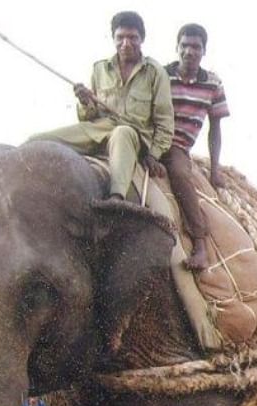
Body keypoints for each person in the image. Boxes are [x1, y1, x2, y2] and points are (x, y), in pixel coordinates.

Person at [30, 11, 174, 202]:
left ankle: (116, 198)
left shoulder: (156, 72)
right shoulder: (100, 68)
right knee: (37, 141)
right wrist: (85, 101)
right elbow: (89, 116)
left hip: (134, 135)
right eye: (120, 37)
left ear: (142, 39)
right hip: (99, 130)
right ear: (113, 38)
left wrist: (154, 155)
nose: (126, 44)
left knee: (122, 132)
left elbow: (165, 122)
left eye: (133, 38)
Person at [162, 23, 231, 271]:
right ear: (177, 47)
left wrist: (215, 169)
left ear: (203, 51)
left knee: (180, 174)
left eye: (195, 47)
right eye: (184, 46)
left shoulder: (212, 84)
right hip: (153, 139)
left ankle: (200, 243)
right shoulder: (161, 75)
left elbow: (215, 129)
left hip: (177, 145)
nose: (189, 51)